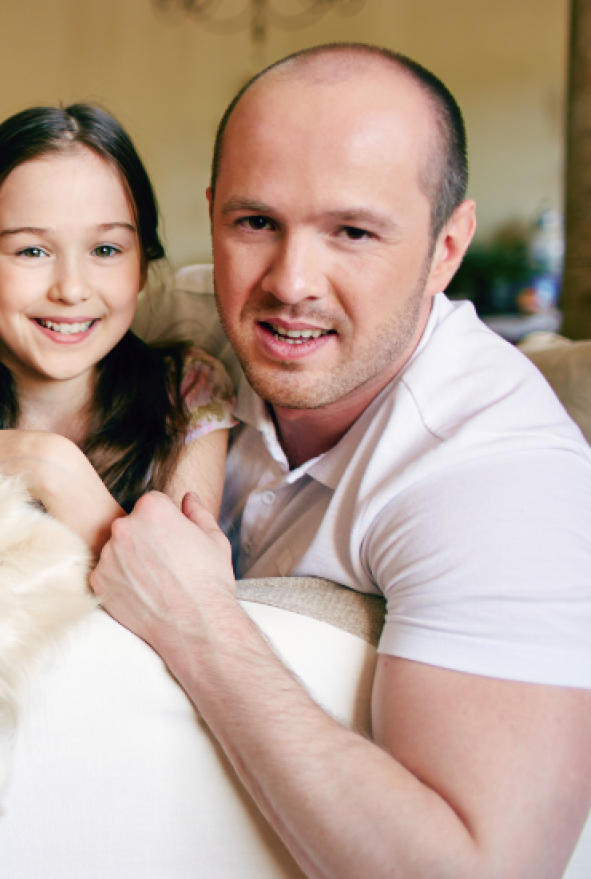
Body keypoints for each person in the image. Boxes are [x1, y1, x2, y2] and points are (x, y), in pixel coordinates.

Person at [91, 43, 591, 876]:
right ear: (213, 212)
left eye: (352, 231)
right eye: (256, 223)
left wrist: (200, 625)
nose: (291, 282)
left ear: (447, 247)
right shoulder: (168, 318)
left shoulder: (500, 471)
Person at [0, 104, 235, 554]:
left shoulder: (186, 392)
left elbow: (178, 582)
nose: (71, 289)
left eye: (105, 249)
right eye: (31, 251)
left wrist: (52, 468)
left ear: (141, 264)